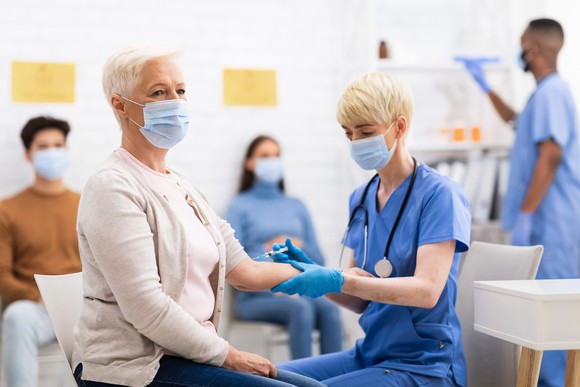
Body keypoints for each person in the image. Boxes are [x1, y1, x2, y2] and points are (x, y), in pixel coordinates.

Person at [71, 45, 325, 387]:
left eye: (180, 91)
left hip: (187, 357)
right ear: (120, 105)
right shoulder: (111, 187)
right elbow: (146, 307)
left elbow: (245, 271)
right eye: (159, 92)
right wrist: (229, 356)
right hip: (135, 369)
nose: (175, 102)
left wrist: (322, 274)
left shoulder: (182, 185)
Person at [268, 72, 471, 386]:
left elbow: (427, 291)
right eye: (348, 133)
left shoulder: (439, 195)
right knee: (270, 380)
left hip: (424, 365)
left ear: (399, 126)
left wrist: (339, 279)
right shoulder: (361, 198)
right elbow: (358, 299)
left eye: (365, 131)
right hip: (371, 353)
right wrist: (311, 272)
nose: (355, 142)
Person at [460, 18, 580, 387]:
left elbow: (552, 154)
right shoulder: (542, 95)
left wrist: (526, 213)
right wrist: (485, 88)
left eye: (522, 43)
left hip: (552, 223)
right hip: (545, 220)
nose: (520, 50)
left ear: (533, 49)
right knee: (535, 317)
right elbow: (517, 120)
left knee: (552, 317)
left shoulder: (552, 93)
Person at [226, 135, 343, 360]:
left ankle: (330, 380)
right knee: (301, 309)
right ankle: (303, 380)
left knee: (330, 310)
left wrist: (298, 245)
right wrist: (269, 250)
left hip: (299, 291)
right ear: (249, 163)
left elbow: (318, 259)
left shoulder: (296, 205)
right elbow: (234, 262)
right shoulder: (239, 206)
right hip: (255, 298)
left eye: (277, 156)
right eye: (265, 156)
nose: (273, 161)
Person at [0, 116, 82, 387]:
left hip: (81, 307)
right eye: (43, 146)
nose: (52, 152)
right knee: (16, 317)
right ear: (28, 154)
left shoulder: (85, 205)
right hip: (35, 309)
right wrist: (38, 298)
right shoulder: (7, 209)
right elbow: (3, 275)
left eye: (58, 145)